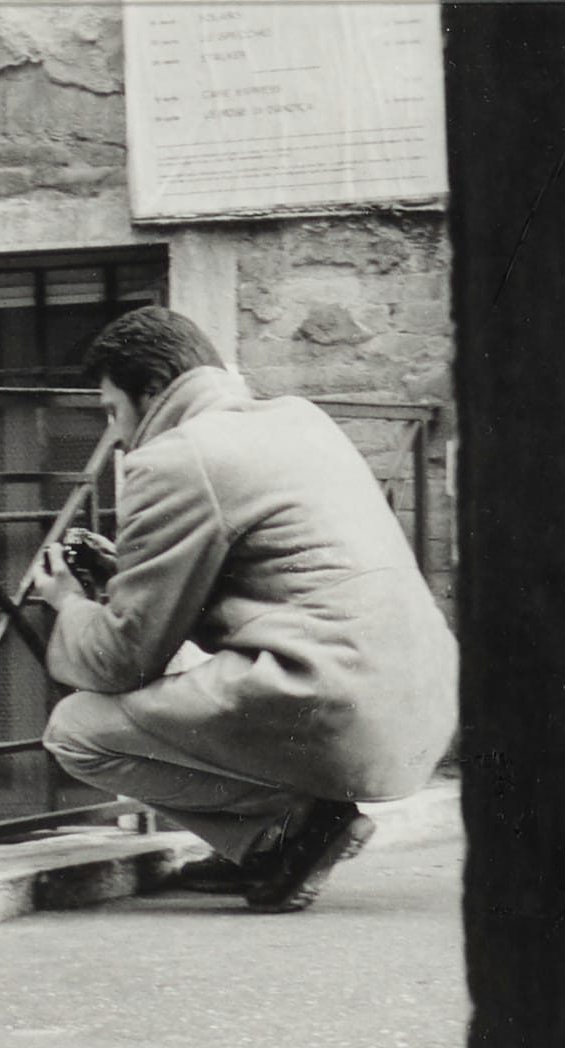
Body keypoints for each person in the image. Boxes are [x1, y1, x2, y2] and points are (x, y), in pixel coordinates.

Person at [29, 306, 458, 912]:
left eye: (112, 411)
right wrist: (129, 573)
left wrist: (69, 602)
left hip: (332, 700)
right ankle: (274, 847)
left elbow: (122, 659)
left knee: (75, 731)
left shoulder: (172, 458)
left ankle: (289, 831)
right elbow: (277, 586)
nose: (115, 436)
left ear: (154, 389)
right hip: (423, 702)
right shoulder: (300, 419)